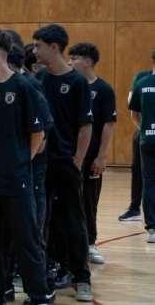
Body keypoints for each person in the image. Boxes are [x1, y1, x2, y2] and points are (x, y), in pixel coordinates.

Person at [0, 28, 52, 305]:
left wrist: (19, 161)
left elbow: (38, 134)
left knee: (25, 238)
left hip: (15, 179)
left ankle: (39, 293)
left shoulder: (25, 87)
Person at [32, 24, 94, 302]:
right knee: (42, 220)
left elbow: (85, 126)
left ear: (54, 47)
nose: (35, 51)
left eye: (38, 46)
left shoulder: (77, 82)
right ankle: (50, 269)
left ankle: (82, 277)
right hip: (40, 162)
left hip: (66, 162)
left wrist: (77, 161)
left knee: (73, 219)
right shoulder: (39, 78)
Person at [67, 43, 116, 264]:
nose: (70, 62)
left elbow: (108, 124)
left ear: (87, 61)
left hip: (91, 157)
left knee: (89, 201)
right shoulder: (71, 87)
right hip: (70, 154)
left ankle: (89, 244)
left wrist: (101, 156)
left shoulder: (103, 89)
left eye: (74, 58)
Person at [128, 48, 155, 244]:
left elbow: (134, 114)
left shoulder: (142, 83)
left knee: (149, 183)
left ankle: (152, 229)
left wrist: (145, 129)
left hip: (147, 140)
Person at [122, 69, 151, 222]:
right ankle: (134, 208)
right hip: (144, 132)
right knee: (138, 170)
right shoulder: (141, 77)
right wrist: (143, 128)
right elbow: (132, 104)